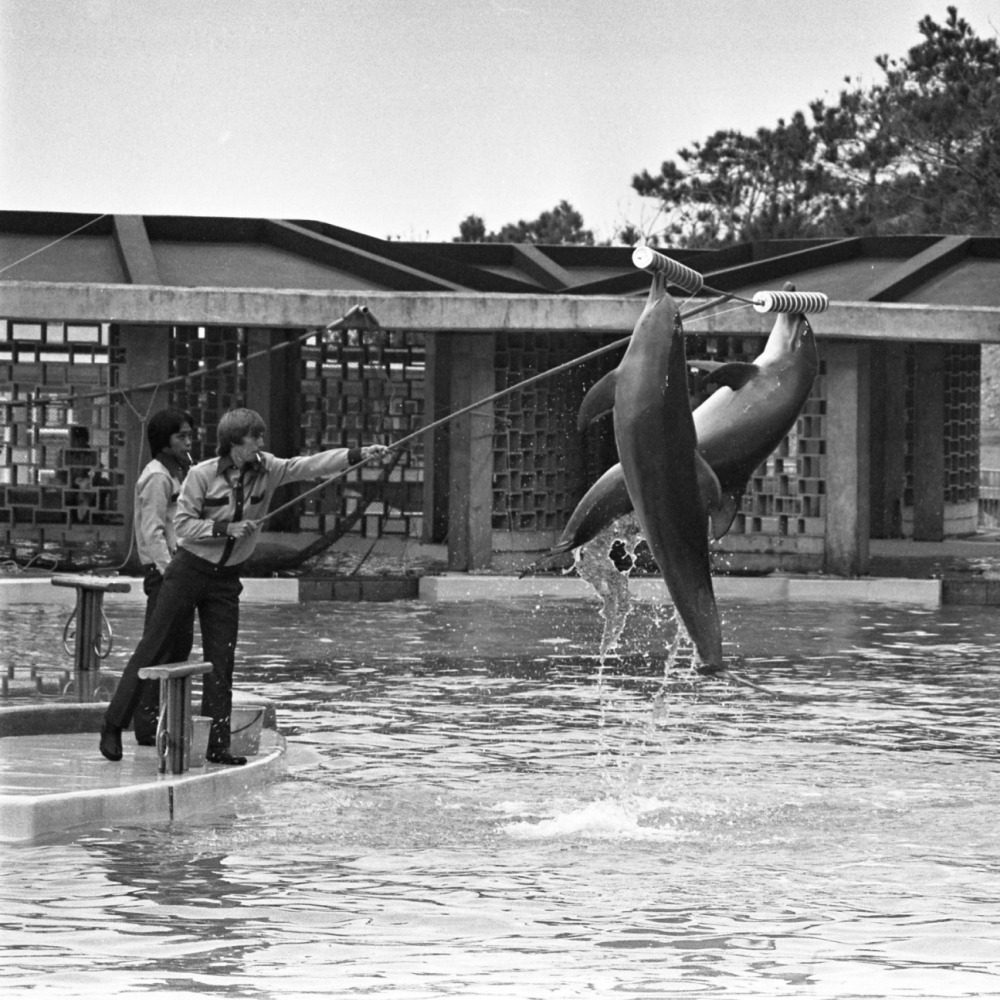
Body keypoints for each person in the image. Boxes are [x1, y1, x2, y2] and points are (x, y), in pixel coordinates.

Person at [100, 407, 390, 766]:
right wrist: (225, 529)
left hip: (226, 580)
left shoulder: (269, 468)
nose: (261, 444)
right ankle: (113, 724)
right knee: (154, 647)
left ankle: (218, 745)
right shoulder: (202, 474)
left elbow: (309, 465)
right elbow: (185, 525)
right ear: (235, 443)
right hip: (188, 571)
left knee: (221, 660)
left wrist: (358, 455)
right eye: (255, 437)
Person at [130, 408, 197, 745]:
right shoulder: (157, 478)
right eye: (181, 436)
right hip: (164, 574)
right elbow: (153, 531)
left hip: (179, 571)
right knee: (158, 646)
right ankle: (147, 724)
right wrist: (169, 571)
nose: (189, 442)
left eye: (190, 435)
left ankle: (168, 719)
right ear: (164, 442)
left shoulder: (179, 474)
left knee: (178, 647)